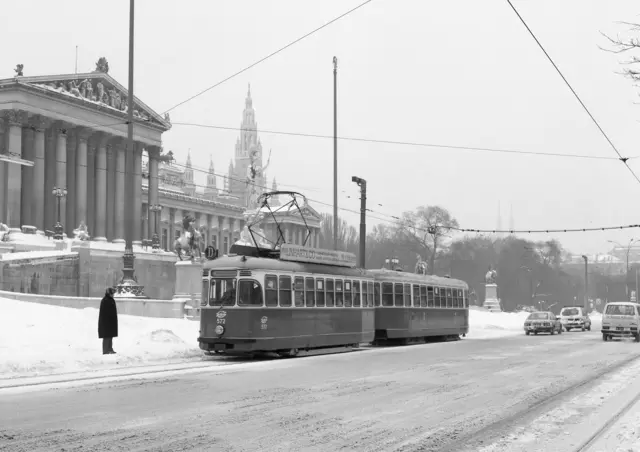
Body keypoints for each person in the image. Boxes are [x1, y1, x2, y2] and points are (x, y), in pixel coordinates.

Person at [98, 287, 118, 355]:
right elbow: (105, 313)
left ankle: (110, 349)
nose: (113, 295)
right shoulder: (105, 300)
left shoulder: (111, 300)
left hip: (111, 322)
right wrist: (108, 320)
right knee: (106, 336)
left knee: (110, 336)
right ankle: (106, 350)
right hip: (106, 322)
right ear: (109, 293)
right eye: (112, 293)